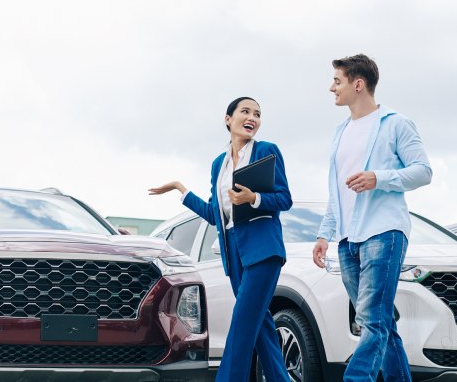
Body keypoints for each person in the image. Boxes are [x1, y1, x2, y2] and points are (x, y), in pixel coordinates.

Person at [149, 97, 292, 382]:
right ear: (228, 119)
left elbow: (284, 198)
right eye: (246, 111)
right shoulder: (219, 164)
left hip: (263, 249)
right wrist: (181, 189)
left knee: (242, 320)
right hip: (234, 253)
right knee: (259, 324)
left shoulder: (266, 151)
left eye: (258, 114)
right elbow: (216, 215)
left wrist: (254, 198)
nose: (253, 117)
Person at [311, 54, 432, 382]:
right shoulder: (340, 133)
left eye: (337, 81)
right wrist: (325, 234)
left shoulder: (395, 123)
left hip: (384, 233)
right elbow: (336, 191)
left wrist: (380, 178)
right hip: (347, 242)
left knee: (372, 321)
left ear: (358, 84)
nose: (331, 87)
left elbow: (423, 172)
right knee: (380, 324)